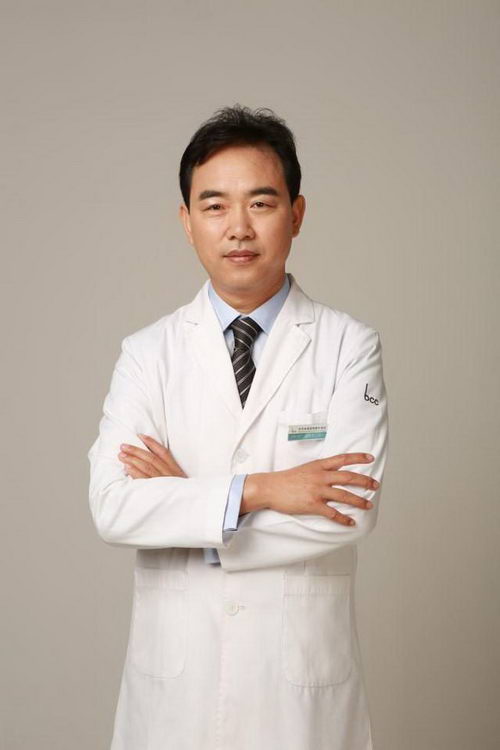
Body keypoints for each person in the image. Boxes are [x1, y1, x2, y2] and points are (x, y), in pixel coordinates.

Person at [87, 104, 389, 750]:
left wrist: (189, 509)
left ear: (296, 214)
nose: (239, 228)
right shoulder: (147, 354)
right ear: (187, 222)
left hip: (297, 693)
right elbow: (113, 507)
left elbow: (348, 511)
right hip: (176, 693)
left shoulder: (347, 346)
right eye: (215, 206)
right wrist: (260, 491)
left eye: (261, 203)